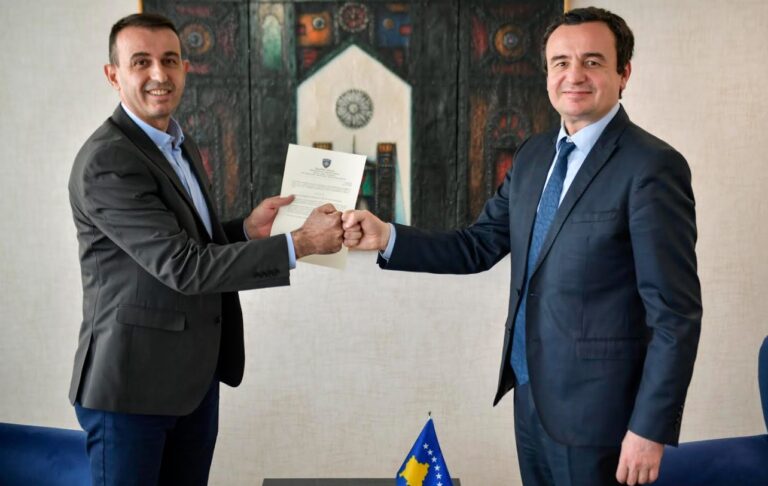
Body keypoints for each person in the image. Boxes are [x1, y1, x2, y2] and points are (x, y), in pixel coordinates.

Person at [342, 7, 701, 486]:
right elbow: (476, 245)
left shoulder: (651, 166)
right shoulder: (534, 155)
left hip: (603, 416)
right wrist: (387, 236)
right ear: (547, 73)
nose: (574, 75)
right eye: (560, 62)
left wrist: (649, 428)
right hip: (530, 396)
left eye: (593, 62)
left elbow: (675, 314)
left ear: (624, 73)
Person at [68, 13, 342, 485]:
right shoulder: (108, 161)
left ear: (186, 68)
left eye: (170, 60)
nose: (159, 74)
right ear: (114, 75)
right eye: (141, 62)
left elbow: (187, 245)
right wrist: (300, 243)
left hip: (191, 382)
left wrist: (246, 231)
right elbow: (184, 267)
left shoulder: (178, 143)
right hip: (131, 390)